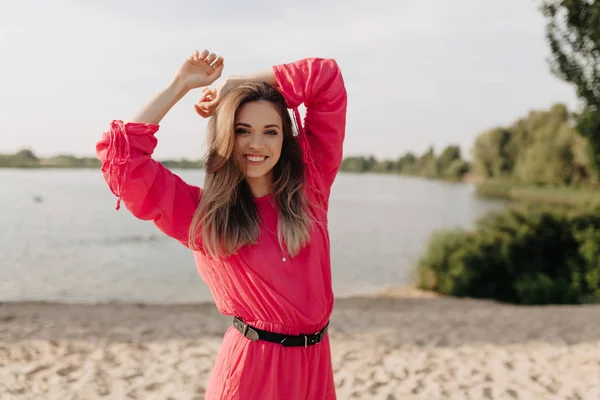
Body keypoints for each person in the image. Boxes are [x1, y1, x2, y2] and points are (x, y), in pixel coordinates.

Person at [96, 48, 347, 399]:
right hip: (253, 371)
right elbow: (121, 159)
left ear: (283, 139)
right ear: (226, 137)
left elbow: (325, 77)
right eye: (242, 130)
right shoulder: (201, 213)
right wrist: (180, 85)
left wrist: (238, 84)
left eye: (270, 131)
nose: (256, 144)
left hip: (316, 365)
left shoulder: (311, 188)